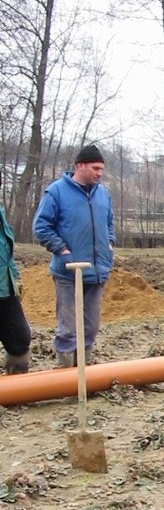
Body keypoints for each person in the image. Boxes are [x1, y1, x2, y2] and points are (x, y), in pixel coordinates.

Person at [32, 144, 115, 367]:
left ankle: (84, 373)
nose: (100, 173)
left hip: (96, 271)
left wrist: (109, 244)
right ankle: (65, 373)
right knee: (68, 328)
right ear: (80, 165)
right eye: (95, 168)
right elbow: (41, 226)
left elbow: (109, 222)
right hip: (69, 272)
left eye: (101, 169)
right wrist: (62, 250)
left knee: (91, 327)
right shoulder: (57, 192)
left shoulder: (103, 193)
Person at [0, 173, 31, 374]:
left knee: (19, 336)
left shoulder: (1, 214)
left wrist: (15, 279)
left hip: (5, 288)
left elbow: (6, 253)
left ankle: (16, 388)